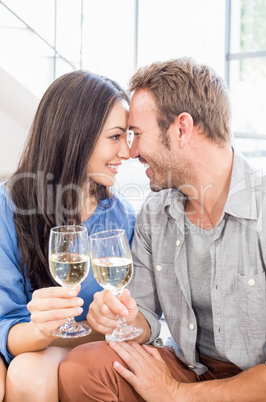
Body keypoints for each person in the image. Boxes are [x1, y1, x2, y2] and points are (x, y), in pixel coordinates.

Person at [58, 57, 266, 401]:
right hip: (187, 365)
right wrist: (123, 317)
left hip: (253, 381)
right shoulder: (155, 212)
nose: (131, 151)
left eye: (137, 134)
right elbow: (143, 313)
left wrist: (173, 394)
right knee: (84, 366)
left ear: (181, 129)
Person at [0, 70, 136, 402]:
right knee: (28, 371)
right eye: (116, 137)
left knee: (34, 372)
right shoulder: (10, 208)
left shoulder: (123, 217)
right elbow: (7, 326)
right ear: (77, 136)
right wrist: (40, 330)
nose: (128, 152)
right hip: (32, 345)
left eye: (129, 136)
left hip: (91, 351)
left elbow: (138, 317)